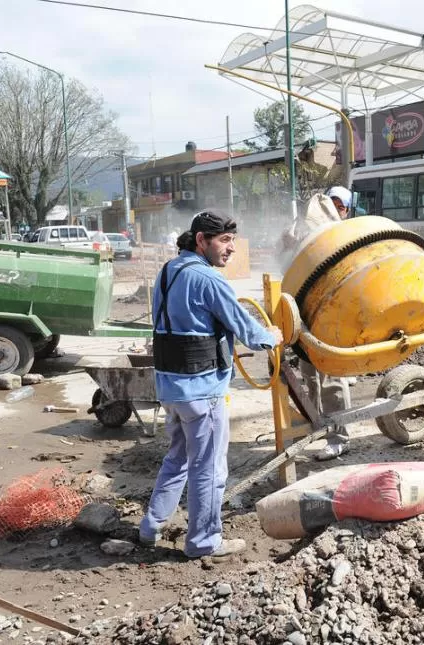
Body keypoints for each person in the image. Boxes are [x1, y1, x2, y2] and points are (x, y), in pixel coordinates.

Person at [141, 209, 283, 558]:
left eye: (233, 240)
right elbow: (247, 331)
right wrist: (273, 336)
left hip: (171, 389)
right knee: (209, 467)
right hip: (201, 390)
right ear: (201, 240)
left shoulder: (168, 271)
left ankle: (151, 526)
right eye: (224, 240)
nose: (231, 248)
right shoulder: (209, 280)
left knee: (177, 458)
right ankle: (204, 541)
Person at [279, 188, 355, 461]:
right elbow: (284, 266)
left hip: (333, 317)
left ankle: (339, 437)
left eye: (340, 205)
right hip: (305, 317)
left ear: (346, 210)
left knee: (332, 379)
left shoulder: (348, 238)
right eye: (331, 204)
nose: (335, 209)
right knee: (310, 376)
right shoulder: (303, 236)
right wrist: (287, 245)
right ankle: (320, 425)